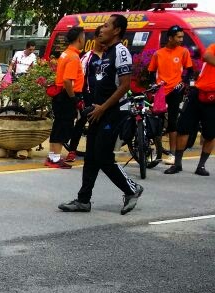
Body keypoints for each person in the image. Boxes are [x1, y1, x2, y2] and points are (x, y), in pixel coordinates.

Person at [59, 15, 143, 215]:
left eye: (106, 26)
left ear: (117, 30)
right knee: (91, 157)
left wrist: (103, 107)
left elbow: (125, 86)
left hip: (114, 112)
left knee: (103, 156)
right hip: (99, 111)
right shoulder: (105, 53)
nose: (101, 30)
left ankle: (132, 189)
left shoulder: (121, 51)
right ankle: (83, 200)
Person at [164, 35, 214, 176]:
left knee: (210, 134)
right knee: (183, 128)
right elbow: (206, 56)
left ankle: (201, 166)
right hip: (198, 92)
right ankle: (177, 164)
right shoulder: (214, 48)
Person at [149, 25, 193, 164]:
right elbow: (151, 72)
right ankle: (157, 151)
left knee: (173, 122)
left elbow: (189, 70)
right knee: (158, 122)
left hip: (175, 90)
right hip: (161, 91)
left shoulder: (183, 51)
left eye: (182, 37)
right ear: (170, 38)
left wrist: (183, 83)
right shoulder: (158, 53)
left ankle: (172, 154)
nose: (181, 39)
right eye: (178, 37)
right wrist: (153, 85)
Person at [47, 27, 86, 169]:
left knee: (58, 125)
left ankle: (52, 157)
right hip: (67, 95)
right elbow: (67, 80)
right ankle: (55, 159)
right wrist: (74, 98)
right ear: (79, 39)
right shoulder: (73, 57)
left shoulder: (65, 54)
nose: (85, 40)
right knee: (64, 126)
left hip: (60, 95)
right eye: (84, 37)